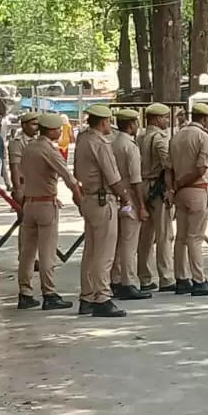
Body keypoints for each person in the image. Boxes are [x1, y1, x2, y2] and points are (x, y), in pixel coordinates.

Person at [73, 104, 135, 318]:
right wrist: (126, 197)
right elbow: (113, 176)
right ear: (102, 122)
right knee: (104, 252)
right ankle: (102, 297)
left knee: (90, 251)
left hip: (89, 198)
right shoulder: (99, 143)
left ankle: (87, 296)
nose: (110, 125)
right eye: (109, 121)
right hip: (103, 199)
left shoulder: (82, 139)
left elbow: (75, 171)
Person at [16, 113, 80, 311]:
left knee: (27, 253)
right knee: (47, 252)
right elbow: (67, 176)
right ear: (51, 130)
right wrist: (79, 197)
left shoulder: (28, 148)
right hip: (46, 205)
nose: (61, 132)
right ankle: (49, 293)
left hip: (29, 204)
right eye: (59, 130)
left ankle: (25, 293)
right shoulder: (48, 150)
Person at [169, 103, 208, 295]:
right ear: (206, 119)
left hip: (180, 192)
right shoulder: (204, 137)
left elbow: (170, 166)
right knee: (195, 237)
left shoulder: (177, 136)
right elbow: (201, 167)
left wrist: (175, 185)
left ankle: (181, 278)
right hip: (197, 189)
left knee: (181, 237)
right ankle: (199, 279)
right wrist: (183, 182)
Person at [109, 110, 152, 301]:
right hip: (130, 197)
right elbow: (136, 179)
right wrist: (141, 205)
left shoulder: (112, 143)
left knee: (118, 242)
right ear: (131, 124)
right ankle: (128, 281)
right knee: (129, 242)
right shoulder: (130, 146)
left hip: (115, 195)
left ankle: (116, 279)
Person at [136, 103, 178, 291]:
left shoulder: (140, 136)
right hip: (158, 187)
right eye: (165, 117)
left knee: (145, 235)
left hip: (142, 185)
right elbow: (167, 164)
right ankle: (166, 277)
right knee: (164, 234)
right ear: (156, 119)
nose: (167, 121)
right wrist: (170, 189)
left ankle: (144, 277)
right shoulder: (160, 138)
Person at [7, 113, 40, 198]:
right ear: (24, 125)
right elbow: (15, 167)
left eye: (37, 124)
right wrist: (18, 190)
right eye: (33, 124)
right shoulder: (17, 142)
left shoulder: (38, 141)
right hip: (24, 185)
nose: (37, 127)